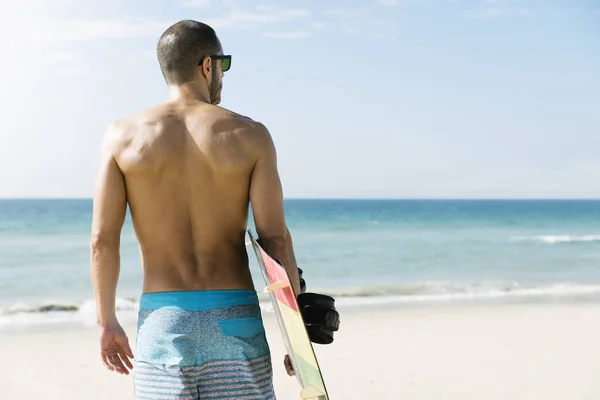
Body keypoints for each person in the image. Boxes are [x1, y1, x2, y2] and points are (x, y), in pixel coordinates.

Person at [89, 19, 301, 400]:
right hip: (236, 322)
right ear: (208, 65)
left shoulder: (121, 136)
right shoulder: (250, 135)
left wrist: (107, 322)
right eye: (224, 65)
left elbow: (102, 240)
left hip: (163, 323)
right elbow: (273, 238)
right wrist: (296, 334)